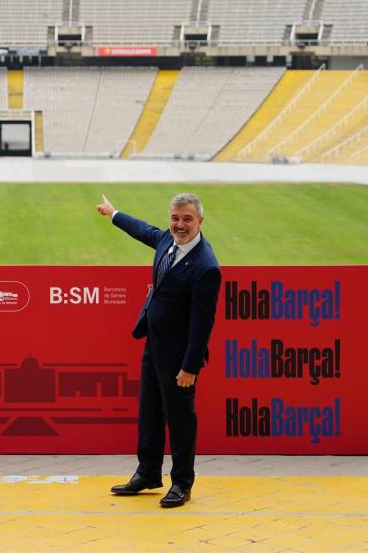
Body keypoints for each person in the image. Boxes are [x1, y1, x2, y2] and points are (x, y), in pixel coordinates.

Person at [96, 192, 221, 508]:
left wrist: (190, 366)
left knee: (180, 418)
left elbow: (202, 323)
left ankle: (182, 483)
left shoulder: (206, 266)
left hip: (179, 356)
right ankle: (149, 473)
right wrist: (114, 214)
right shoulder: (168, 239)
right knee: (149, 411)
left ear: (200, 222)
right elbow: (145, 231)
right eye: (175, 218)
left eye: (187, 219)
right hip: (154, 343)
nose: (180, 225)